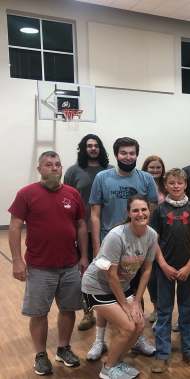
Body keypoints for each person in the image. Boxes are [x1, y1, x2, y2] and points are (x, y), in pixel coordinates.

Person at [8, 151, 88, 376]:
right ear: (40, 169)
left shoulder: (72, 193)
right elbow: (14, 226)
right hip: (39, 267)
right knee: (39, 313)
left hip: (69, 265)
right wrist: (17, 261)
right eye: (49, 164)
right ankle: (41, 355)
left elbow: (81, 225)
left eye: (58, 164)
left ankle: (63, 349)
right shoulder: (26, 194)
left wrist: (83, 256)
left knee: (68, 309)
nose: (54, 168)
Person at [87, 137, 159, 362]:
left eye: (132, 153)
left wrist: (146, 240)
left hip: (135, 249)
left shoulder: (146, 178)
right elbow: (95, 214)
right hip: (109, 245)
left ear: (137, 154)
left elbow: (151, 212)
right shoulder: (102, 177)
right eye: (123, 153)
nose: (128, 157)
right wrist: (97, 247)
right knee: (106, 293)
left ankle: (138, 337)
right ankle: (99, 341)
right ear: (116, 154)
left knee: (135, 293)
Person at [81, 195, 156, 379]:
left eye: (144, 209)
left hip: (122, 286)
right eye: (135, 210)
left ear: (149, 211)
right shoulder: (117, 236)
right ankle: (107, 369)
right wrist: (125, 305)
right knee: (127, 326)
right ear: (128, 213)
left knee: (139, 324)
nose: (140, 214)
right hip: (97, 287)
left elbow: (147, 270)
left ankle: (117, 362)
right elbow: (111, 275)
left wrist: (136, 301)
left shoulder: (151, 235)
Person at [150, 168, 190, 373]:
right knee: (164, 311)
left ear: (185, 185)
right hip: (165, 268)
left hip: (187, 269)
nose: (176, 186)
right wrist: (163, 265)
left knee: (186, 310)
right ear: (165, 186)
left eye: (179, 183)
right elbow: (154, 241)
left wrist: (189, 265)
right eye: (171, 183)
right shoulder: (159, 210)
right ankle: (162, 354)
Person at [64, 134, 113, 331]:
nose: (93, 149)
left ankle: (111, 311)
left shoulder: (111, 170)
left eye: (96, 145)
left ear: (101, 148)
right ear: (83, 149)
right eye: (89, 146)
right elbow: (66, 200)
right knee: (86, 272)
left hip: (108, 231)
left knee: (110, 272)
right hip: (83, 230)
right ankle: (88, 313)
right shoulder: (73, 171)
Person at [141, 155, 167, 327]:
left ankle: (165, 310)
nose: (155, 170)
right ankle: (156, 309)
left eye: (158, 167)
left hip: (166, 235)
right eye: (152, 167)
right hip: (146, 235)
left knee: (164, 274)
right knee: (151, 274)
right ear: (146, 168)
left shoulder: (167, 186)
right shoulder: (141, 185)